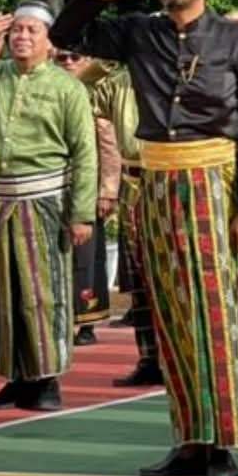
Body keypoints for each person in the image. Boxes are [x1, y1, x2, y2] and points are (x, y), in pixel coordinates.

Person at [50, 0, 238, 476]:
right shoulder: (136, 32)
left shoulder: (235, 40)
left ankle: (221, 441)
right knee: (171, 314)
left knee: (214, 312)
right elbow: (64, 34)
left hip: (211, 181)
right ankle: (188, 440)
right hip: (154, 184)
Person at [0, 3, 99, 413]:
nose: (21, 37)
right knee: (2, 292)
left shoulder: (66, 87)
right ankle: (15, 377)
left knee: (43, 292)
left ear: (49, 40)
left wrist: (81, 212)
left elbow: (84, 153)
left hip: (44, 200)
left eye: (31, 31)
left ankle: (47, 378)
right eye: (16, 30)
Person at [88, 54, 155, 386]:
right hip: (132, 179)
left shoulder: (186, 72)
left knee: (173, 276)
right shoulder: (117, 81)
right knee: (138, 278)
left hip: (171, 177)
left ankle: (179, 360)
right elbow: (79, 86)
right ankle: (149, 358)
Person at [56, 46, 114, 345]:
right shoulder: (51, 90)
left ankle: (87, 322)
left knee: (87, 257)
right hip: (54, 188)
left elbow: (107, 146)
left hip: (88, 188)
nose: (67, 62)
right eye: (61, 58)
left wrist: (107, 191)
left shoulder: (94, 95)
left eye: (74, 57)